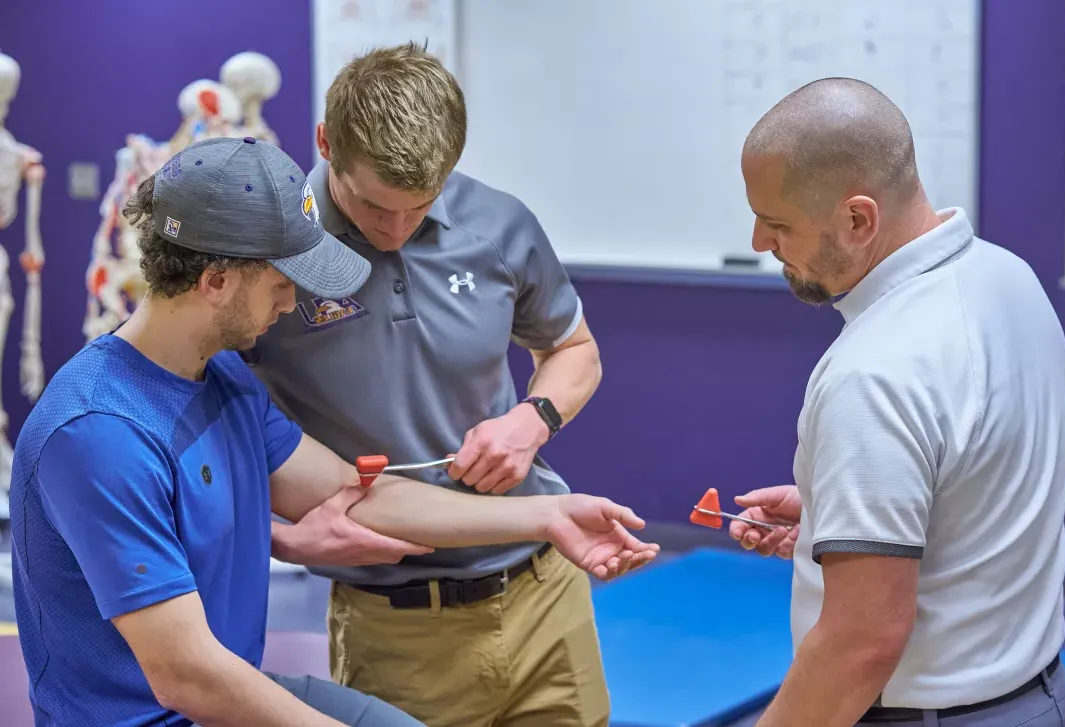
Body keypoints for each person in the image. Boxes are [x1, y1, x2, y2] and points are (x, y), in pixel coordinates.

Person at [7, 135, 659, 727]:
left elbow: (355, 491)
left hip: (220, 692)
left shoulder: (224, 377)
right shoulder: (98, 431)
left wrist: (548, 514)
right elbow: (187, 676)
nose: (293, 306)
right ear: (216, 280)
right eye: (283, 285)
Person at [240, 43, 614, 726]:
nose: (395, 229)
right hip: (394, 620)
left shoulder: (500, 224)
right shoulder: (269, 253)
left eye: (419, 206)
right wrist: (277, 536)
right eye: (373, 205)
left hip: (544, 593)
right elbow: (199, 421)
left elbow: (575, 349)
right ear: (325, 144)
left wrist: (532, 419)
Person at [727, 77, 1065, 726]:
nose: (759, 241)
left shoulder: (873, 372)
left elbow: (859, 644)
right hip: (1044, 698)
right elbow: (981, 473)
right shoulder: (1008, 277)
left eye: (777, 223)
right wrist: (838, 503)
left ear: (859, 218)